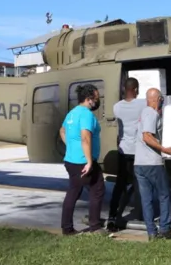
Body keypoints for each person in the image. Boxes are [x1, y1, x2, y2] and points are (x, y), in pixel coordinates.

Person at [59, 83, 106, 236]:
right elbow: (86, 138)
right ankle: (95, 227)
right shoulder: (86, 114)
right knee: (97, 189)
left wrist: (71, 146)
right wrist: (89, 161)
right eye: (96, 98)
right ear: (89, 99)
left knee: (74, 191)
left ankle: (67, 228)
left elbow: (62, 130)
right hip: (83, 162)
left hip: (71, 160)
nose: (97, 101)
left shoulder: (71, 113)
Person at [134, 88, 171, 241]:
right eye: (161, 99)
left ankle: (151, 233)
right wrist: (164, 149)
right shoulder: (151, 114)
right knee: (164, 195)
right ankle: (165, 229)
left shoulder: (143, 112)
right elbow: (147, 136)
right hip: (152, 162)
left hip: (139, 163)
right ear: (158, 99)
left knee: (146, 200)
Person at [107, 77, 146, 230]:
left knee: (120, 185)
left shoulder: (117, 107)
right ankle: (141, 216)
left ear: (124, 89)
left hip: (123, 150)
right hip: (138, 151)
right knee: (139, 186)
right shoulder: (143, 104)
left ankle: (112, 215)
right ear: (136, 89)